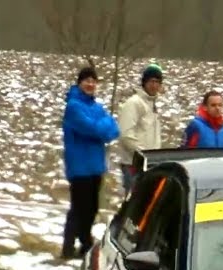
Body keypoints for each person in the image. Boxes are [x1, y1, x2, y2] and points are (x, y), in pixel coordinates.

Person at [61, 66, 120, 259]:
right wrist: (103, 125)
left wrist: (103, 127)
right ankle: (70, 247)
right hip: (79, 166)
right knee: (78, 208)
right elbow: (94, 129)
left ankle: (84, 244)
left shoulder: (97, 107)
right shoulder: (73, 106)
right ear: (79, 83)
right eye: (86, 80)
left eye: (93, 81)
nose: (90, 84)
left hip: (95, 165)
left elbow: (113, 131)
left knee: (92, 207)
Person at [115, 63, 164, 196]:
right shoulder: (134, 103)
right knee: (134, 205)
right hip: (133, 165)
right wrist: (144, 155)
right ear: (144, 83)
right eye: (151, 81)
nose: (154, 85)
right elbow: (126, 135)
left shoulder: (152, 105)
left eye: (157, 82)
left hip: (150, 165)